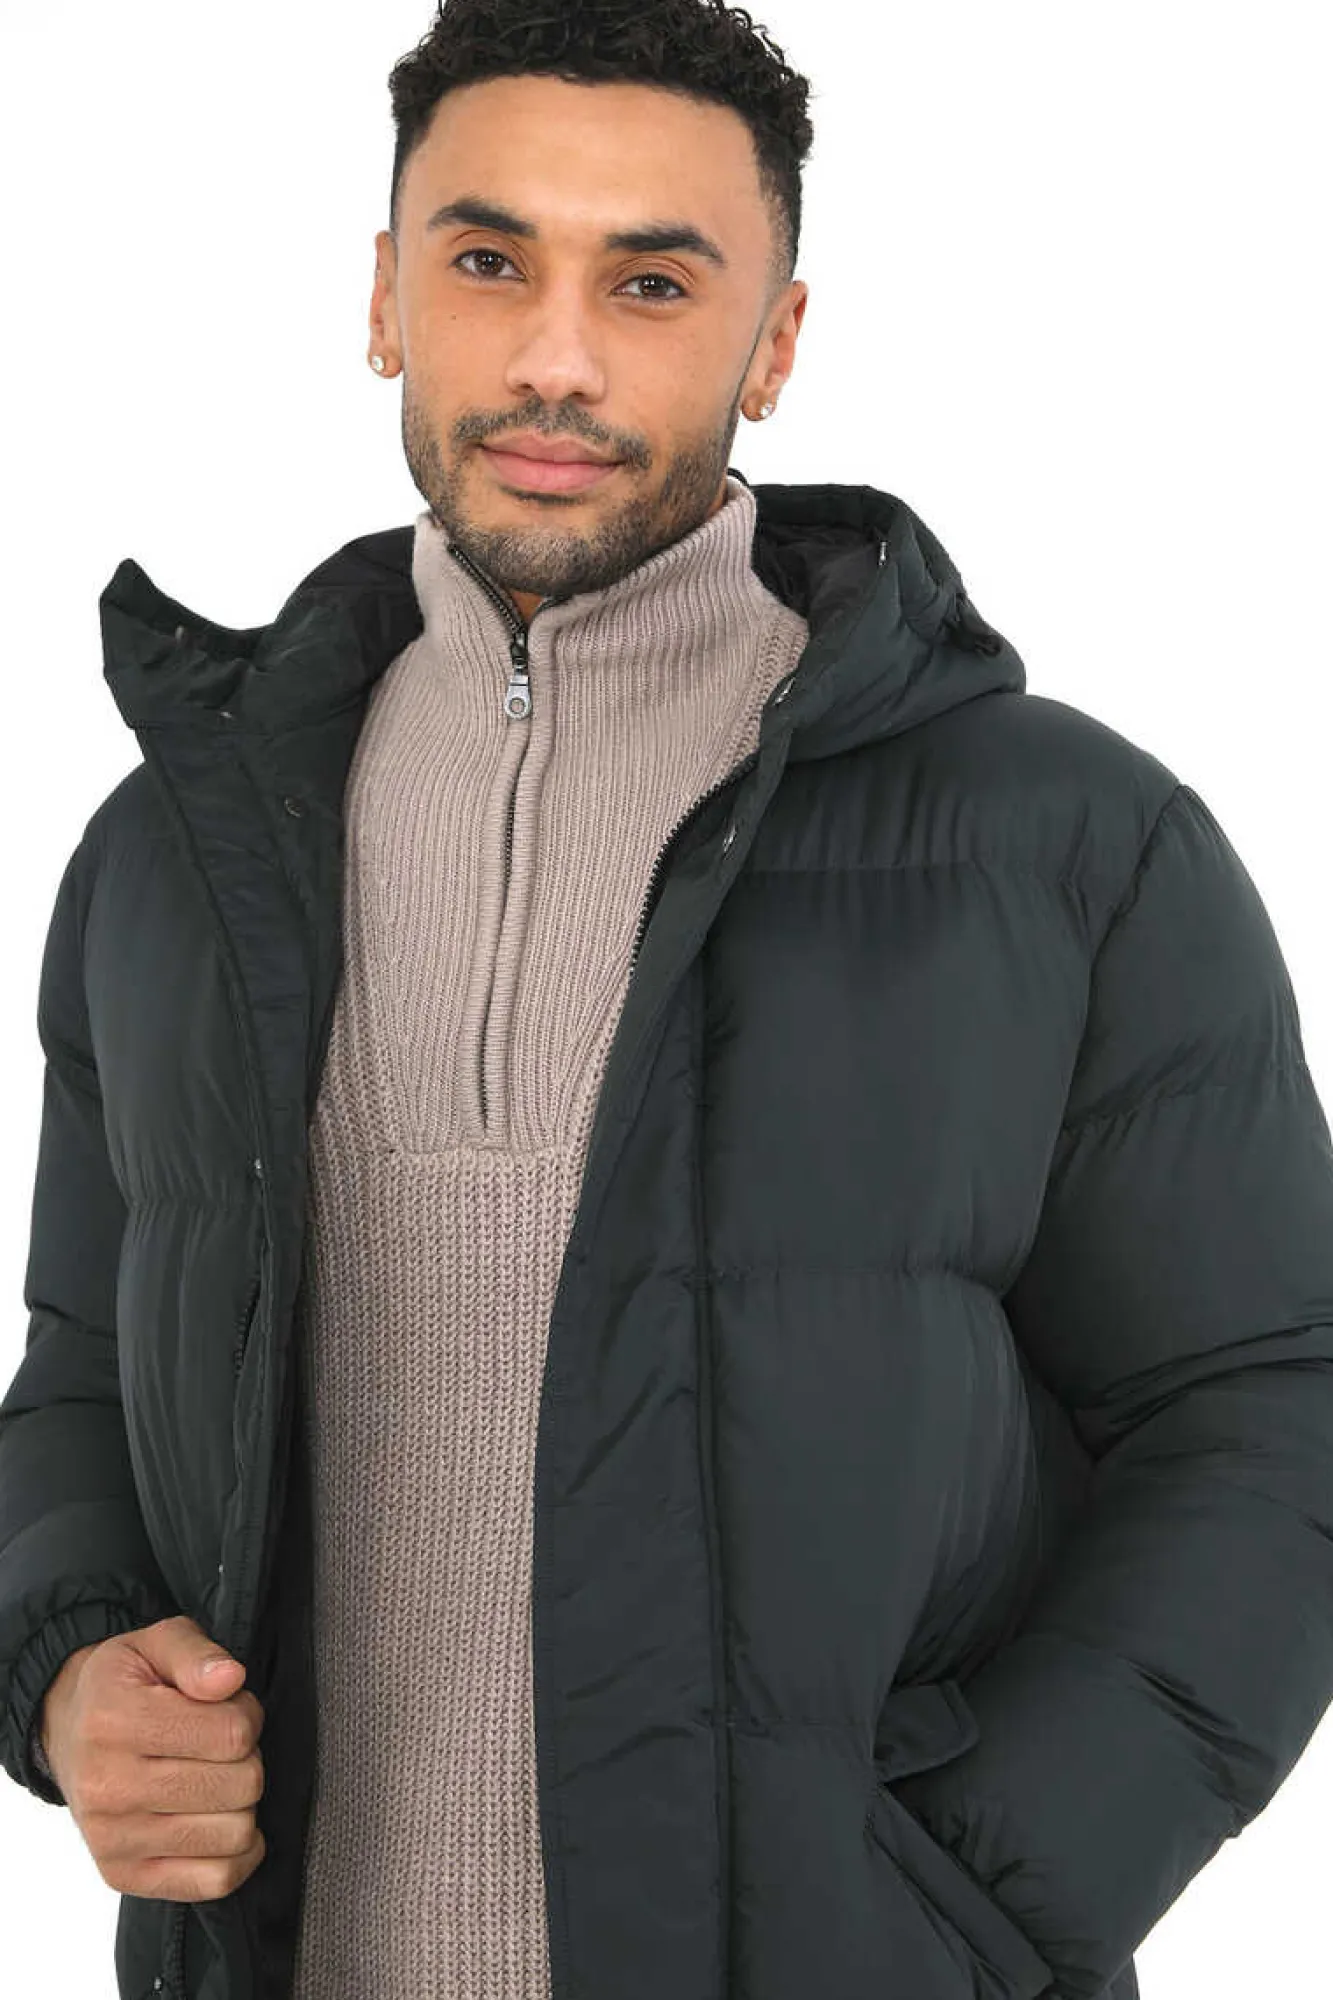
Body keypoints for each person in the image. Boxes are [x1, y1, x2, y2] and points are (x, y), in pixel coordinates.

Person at [3, 2, 1333, 1996]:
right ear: (382, 299)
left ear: (774, 343)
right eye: (488, 261)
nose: (555, 358)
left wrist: (965, 1914)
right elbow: (85, 1380)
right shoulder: (177, 855)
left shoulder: (1069, 845)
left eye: (649, 282)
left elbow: (1271, 1417)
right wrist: (70, 1663)